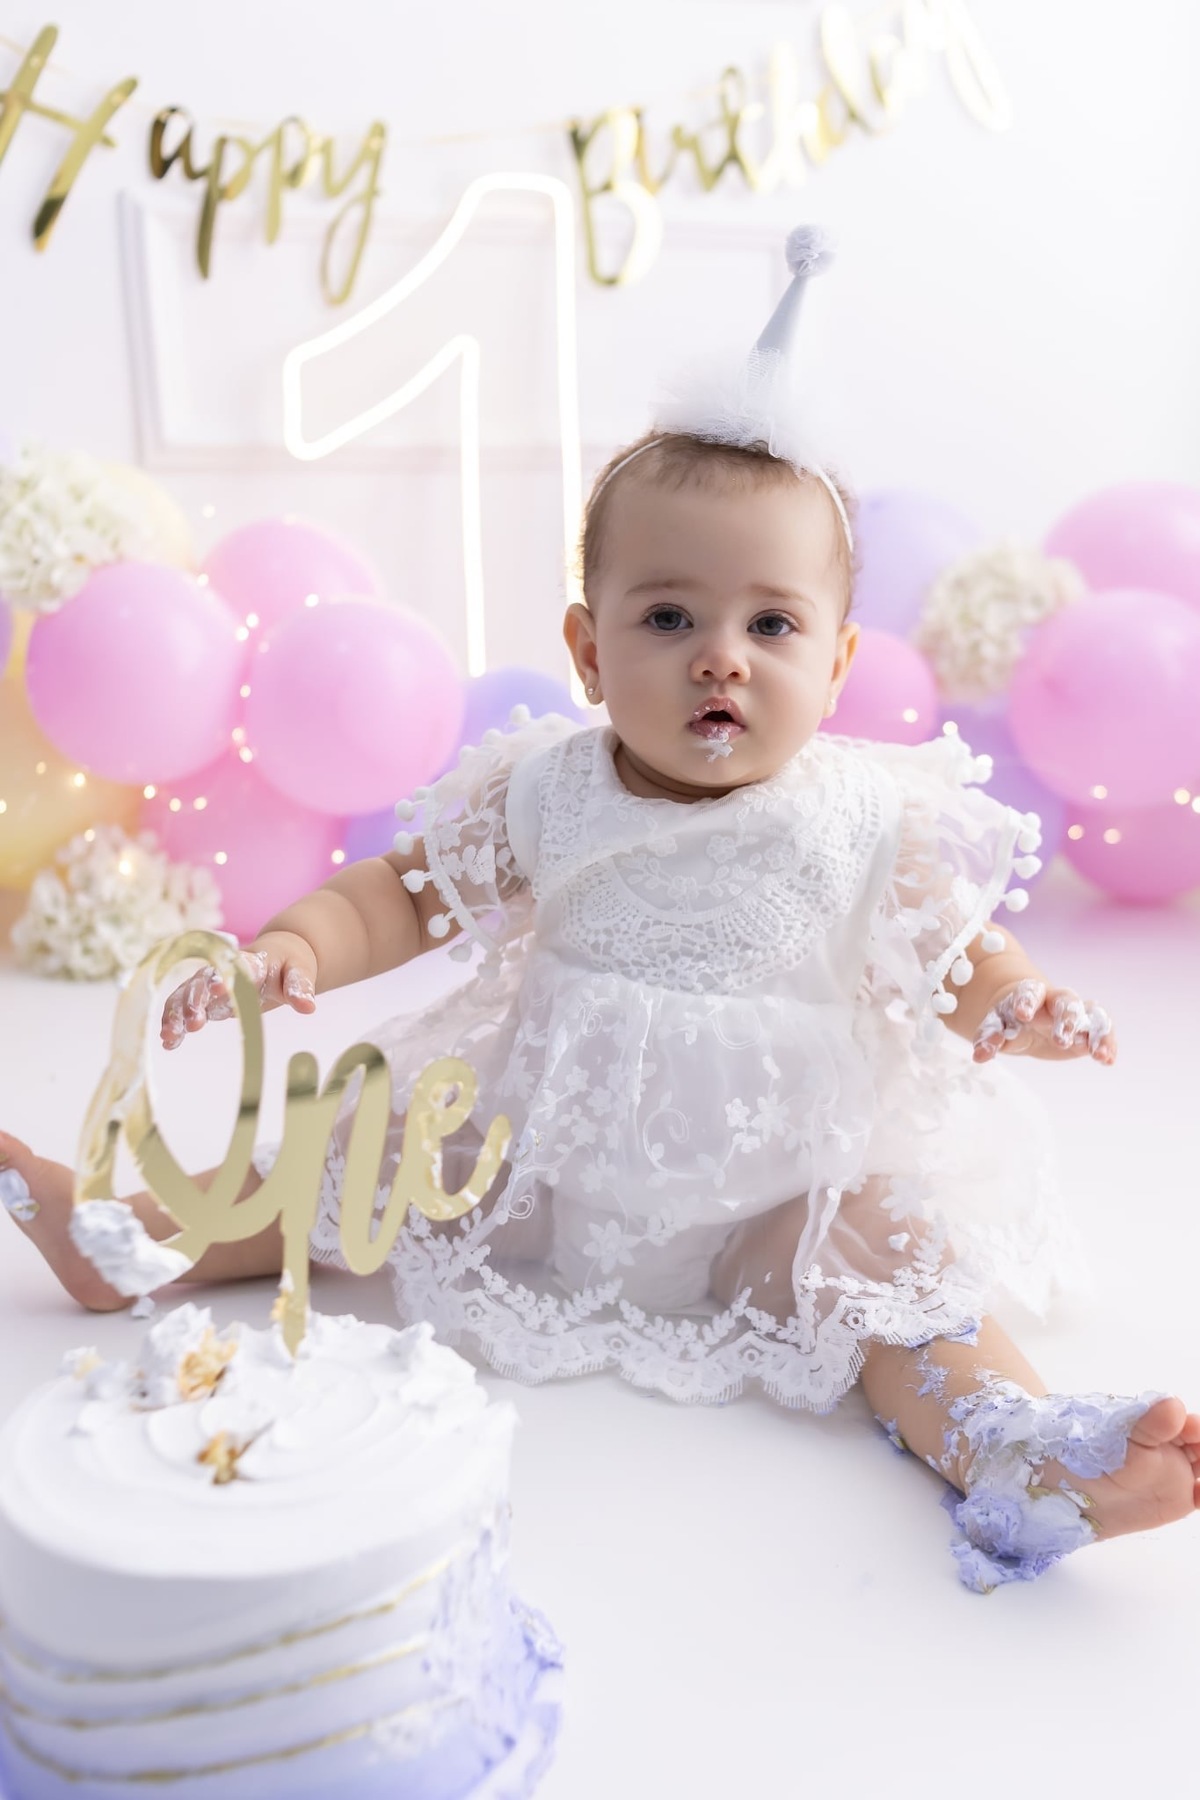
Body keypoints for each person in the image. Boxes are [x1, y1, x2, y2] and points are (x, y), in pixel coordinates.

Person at [3, 229, 1198, 1593]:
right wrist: (300, 945)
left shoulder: (871, 813)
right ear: (587, 646)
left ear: (841, 657)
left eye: (772, 626)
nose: (720, 660)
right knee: (351, 1154)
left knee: (893, 1274)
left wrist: (1013, 1004)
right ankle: (142, 1236)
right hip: (541, 1159)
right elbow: (404, 893)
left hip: (777, 1185)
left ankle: (1007, 1442)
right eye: (670, 616)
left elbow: (955, 954)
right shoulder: (547, 791)